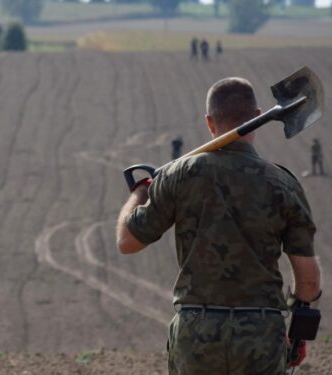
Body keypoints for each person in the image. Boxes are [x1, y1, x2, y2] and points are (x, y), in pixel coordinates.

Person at [116, 77, 321, 374]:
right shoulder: (283, 185)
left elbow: (127, 242)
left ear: (210, 123)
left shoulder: (177, 177)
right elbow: (309, 282)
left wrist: (139, 192)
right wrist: (298, 333)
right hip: (260, 335)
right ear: (258, 116)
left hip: (197, 334)